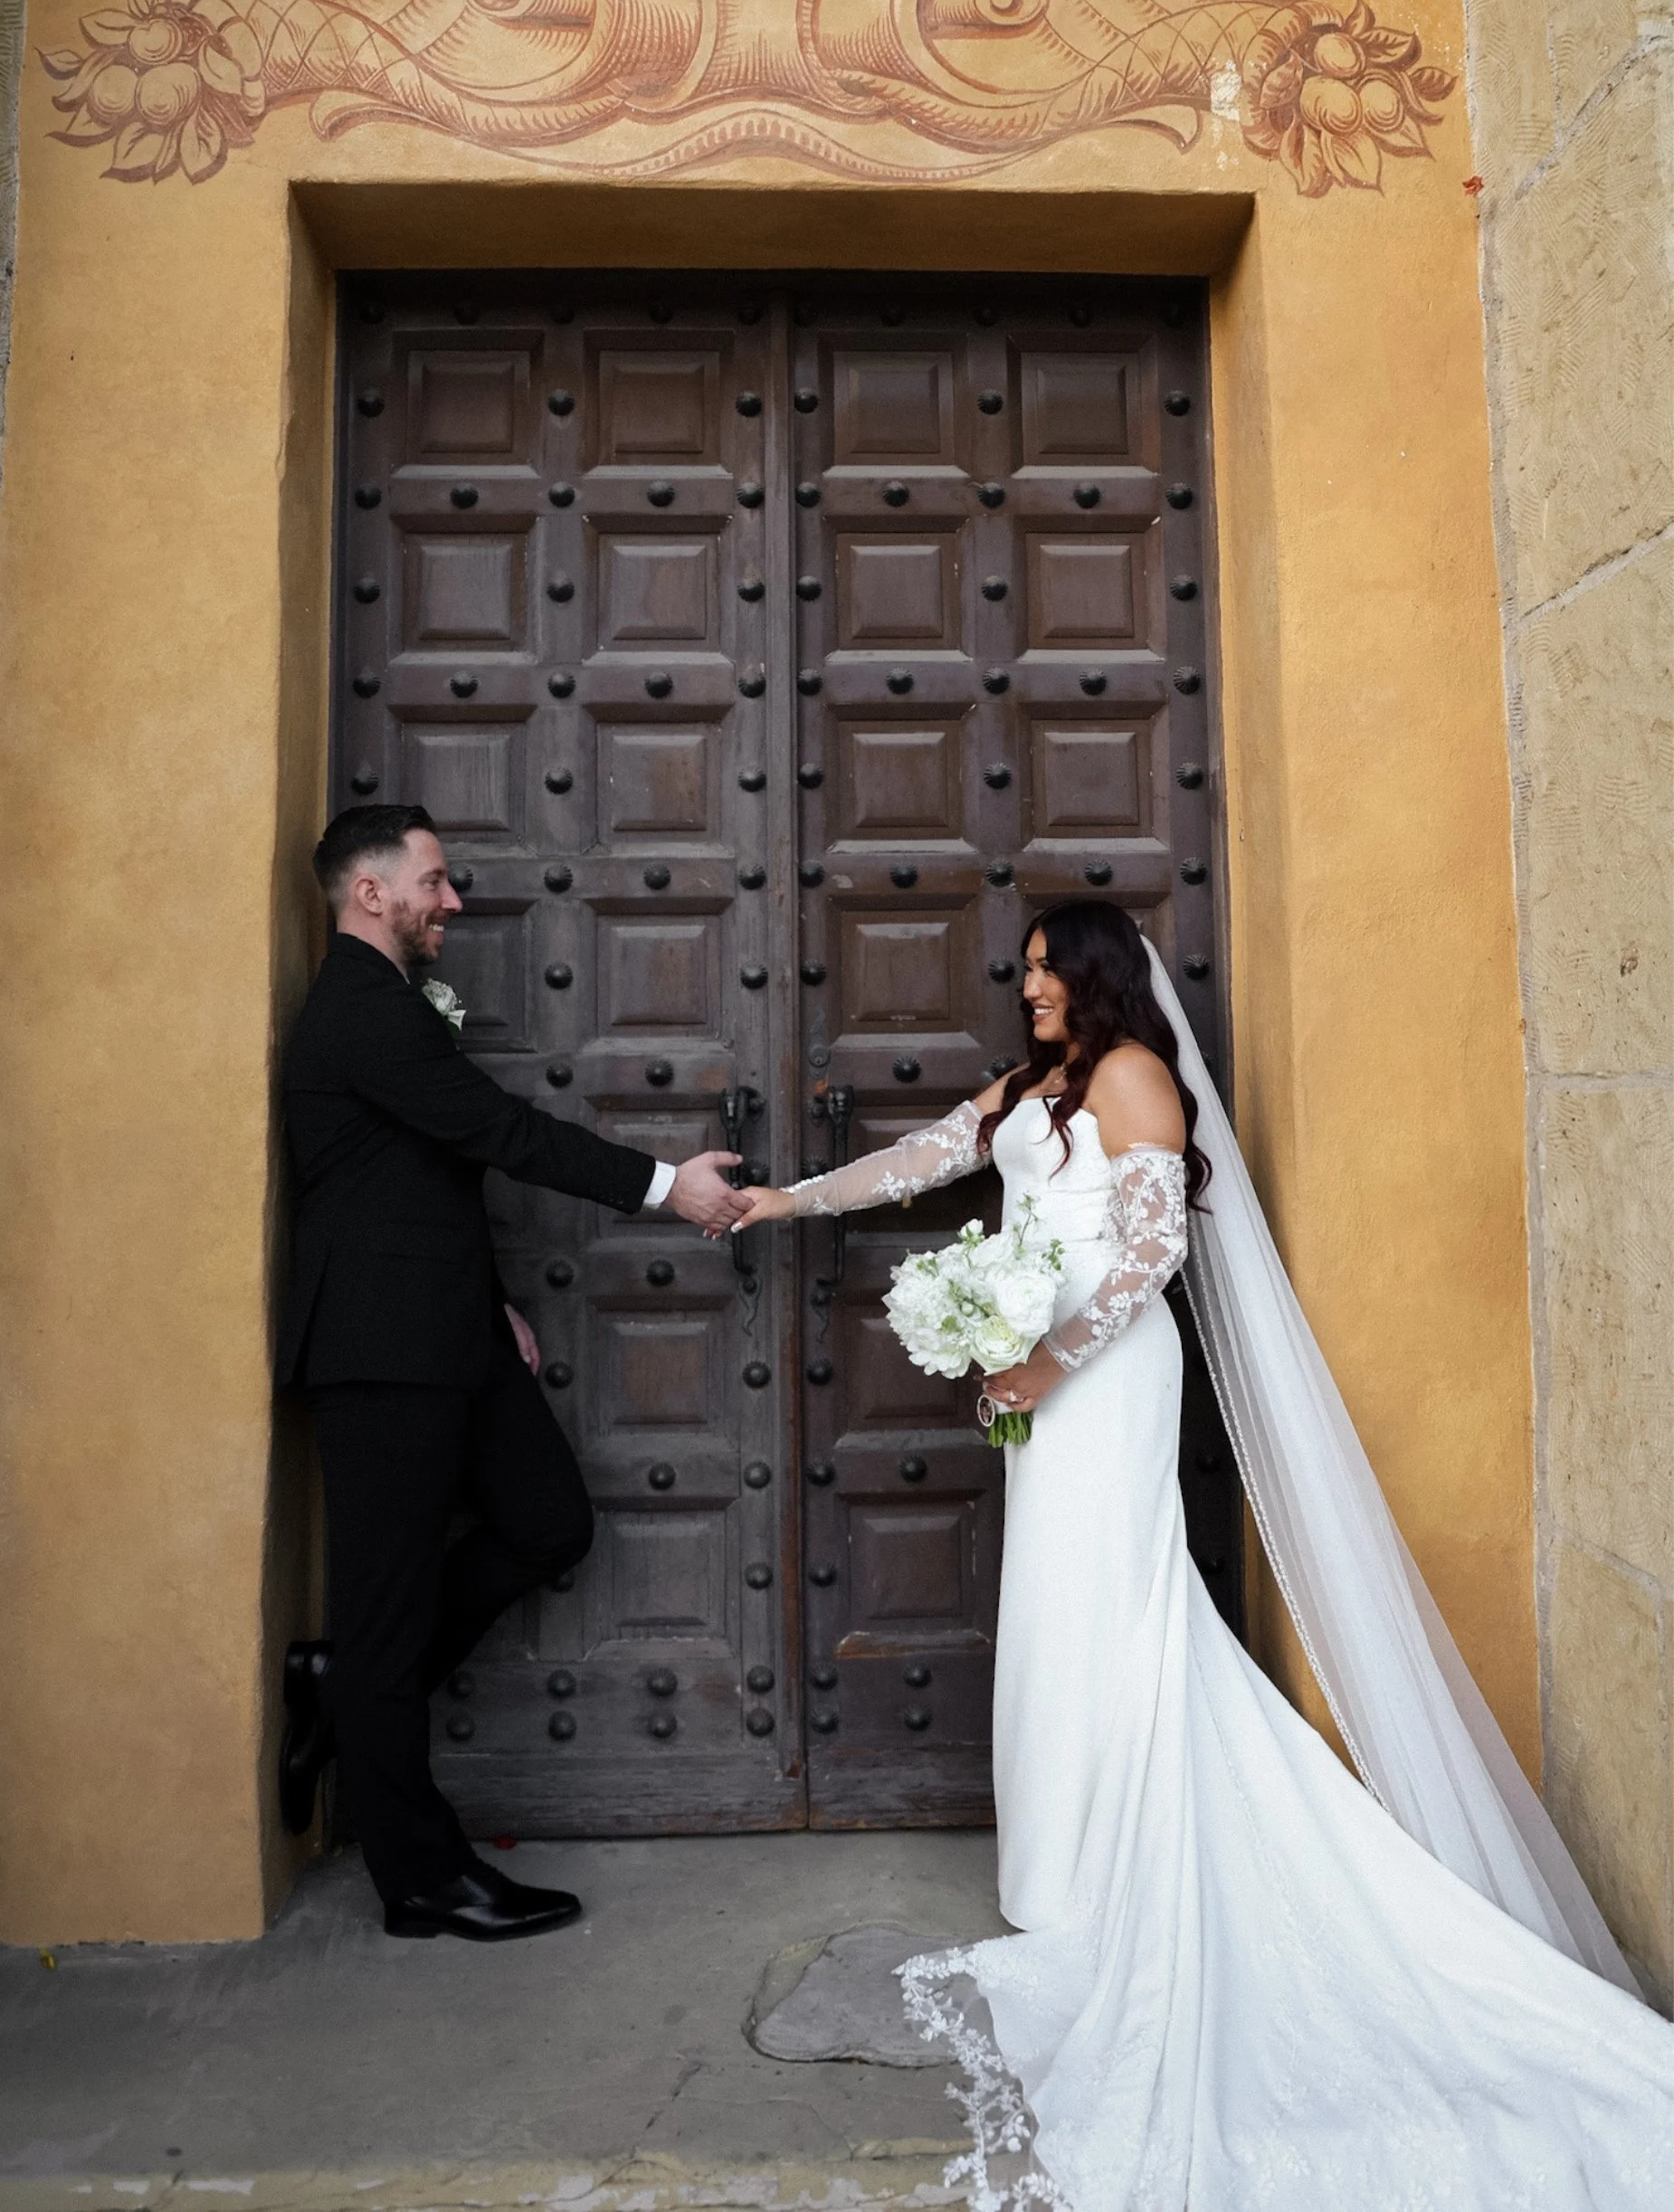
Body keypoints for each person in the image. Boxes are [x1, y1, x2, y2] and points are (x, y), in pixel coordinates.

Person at [736, 902, 1673, 2208]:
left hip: (1102, 1380)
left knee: (1108, 1605)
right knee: (1060, 1607)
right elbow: (923, 1158)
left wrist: (1046, 1359)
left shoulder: (1130, 1077)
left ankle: (1101, 1866)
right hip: (1039, 1385)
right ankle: (1056, 1864)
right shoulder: (1031, 1083)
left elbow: (1149, 1250)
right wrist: (790, 1196)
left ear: (1102, 974)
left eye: (1049, 966)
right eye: (1027, 969)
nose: (1031, 985)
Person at [277, 804, 745, 1943]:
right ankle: (420, 1878)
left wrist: (487, 1297)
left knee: (547, 1521)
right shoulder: (354, 1008)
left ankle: (340, 1686)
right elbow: (495, 1130)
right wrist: (663, 1185)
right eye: (432, 881)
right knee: (387, 1621)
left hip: (452, 1332)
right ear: (369, 892)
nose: (452, 900)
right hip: (380, 1354)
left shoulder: (390, 1007)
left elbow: (416, 1172)